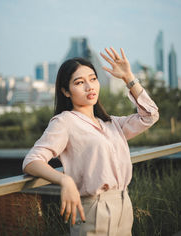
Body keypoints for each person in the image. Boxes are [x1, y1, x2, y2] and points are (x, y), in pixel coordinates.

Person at [22, 47, 159, 236]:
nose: (90, 87)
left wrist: (128, 77)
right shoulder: (65, 122)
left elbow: (150, 115)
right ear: (66, 91)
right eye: (80, 82)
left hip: (123, 203)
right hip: (94, 209)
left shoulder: (111, 123)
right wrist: (65, 180)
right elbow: (31, 161)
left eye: (93, 79)